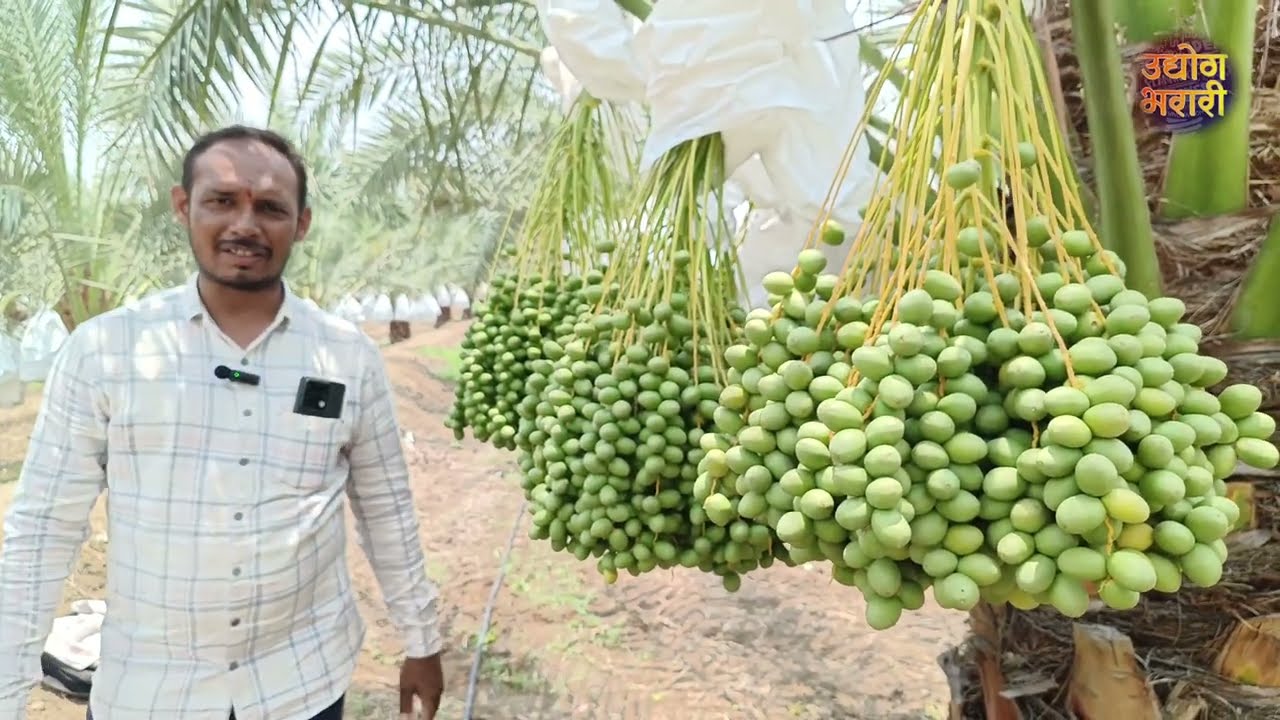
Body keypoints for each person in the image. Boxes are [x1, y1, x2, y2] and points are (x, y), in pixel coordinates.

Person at [0, 126, 445, 720]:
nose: (246, 224)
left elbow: (387, 510)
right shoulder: (106, 351)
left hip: (302, 685)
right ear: (183, 206)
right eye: (222, 201)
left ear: (302, 223)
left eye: (270, 207)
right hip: (152, 693)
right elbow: (43, 531)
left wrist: (422, 640)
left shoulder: (346, 357)